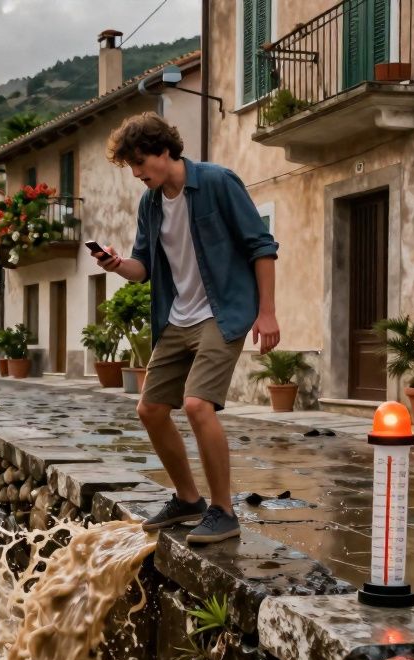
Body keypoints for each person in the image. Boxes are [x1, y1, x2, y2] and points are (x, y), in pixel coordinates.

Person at [93, 113, 279, 544]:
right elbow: (144, 269)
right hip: (177, 317)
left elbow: (261, 247)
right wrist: (116, 264)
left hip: (223, 311)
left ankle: (223, 511)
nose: (137, 174)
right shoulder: (151, 204)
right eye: (131, 167)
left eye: (140, 163)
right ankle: (188, 498)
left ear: (164, 150)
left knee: (197, 405)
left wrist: (267, 312)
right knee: (150, 409)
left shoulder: (216, 182)